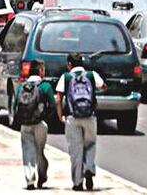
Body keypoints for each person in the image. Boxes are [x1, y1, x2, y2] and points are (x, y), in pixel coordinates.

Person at [56, 53, 105, 191]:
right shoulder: (91, 75)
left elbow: (58, 99)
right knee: (90, 144)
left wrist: (60, 116)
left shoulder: (65, 77)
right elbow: (102, 86)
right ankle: (89, 168)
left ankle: (77, 183)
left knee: (75, 150)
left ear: (69, 64)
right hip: (89, 116)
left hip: (72, 117)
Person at [11, 61, 55, 190]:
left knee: (27, 151)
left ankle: (30, 179)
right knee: (39, 151)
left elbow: (15, 105)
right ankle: (42, 175)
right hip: (40, 123)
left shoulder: (21, 87)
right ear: (40, 71)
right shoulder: (45, 86)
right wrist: (45, 117)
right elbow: (52, 105)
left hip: (25, 124)